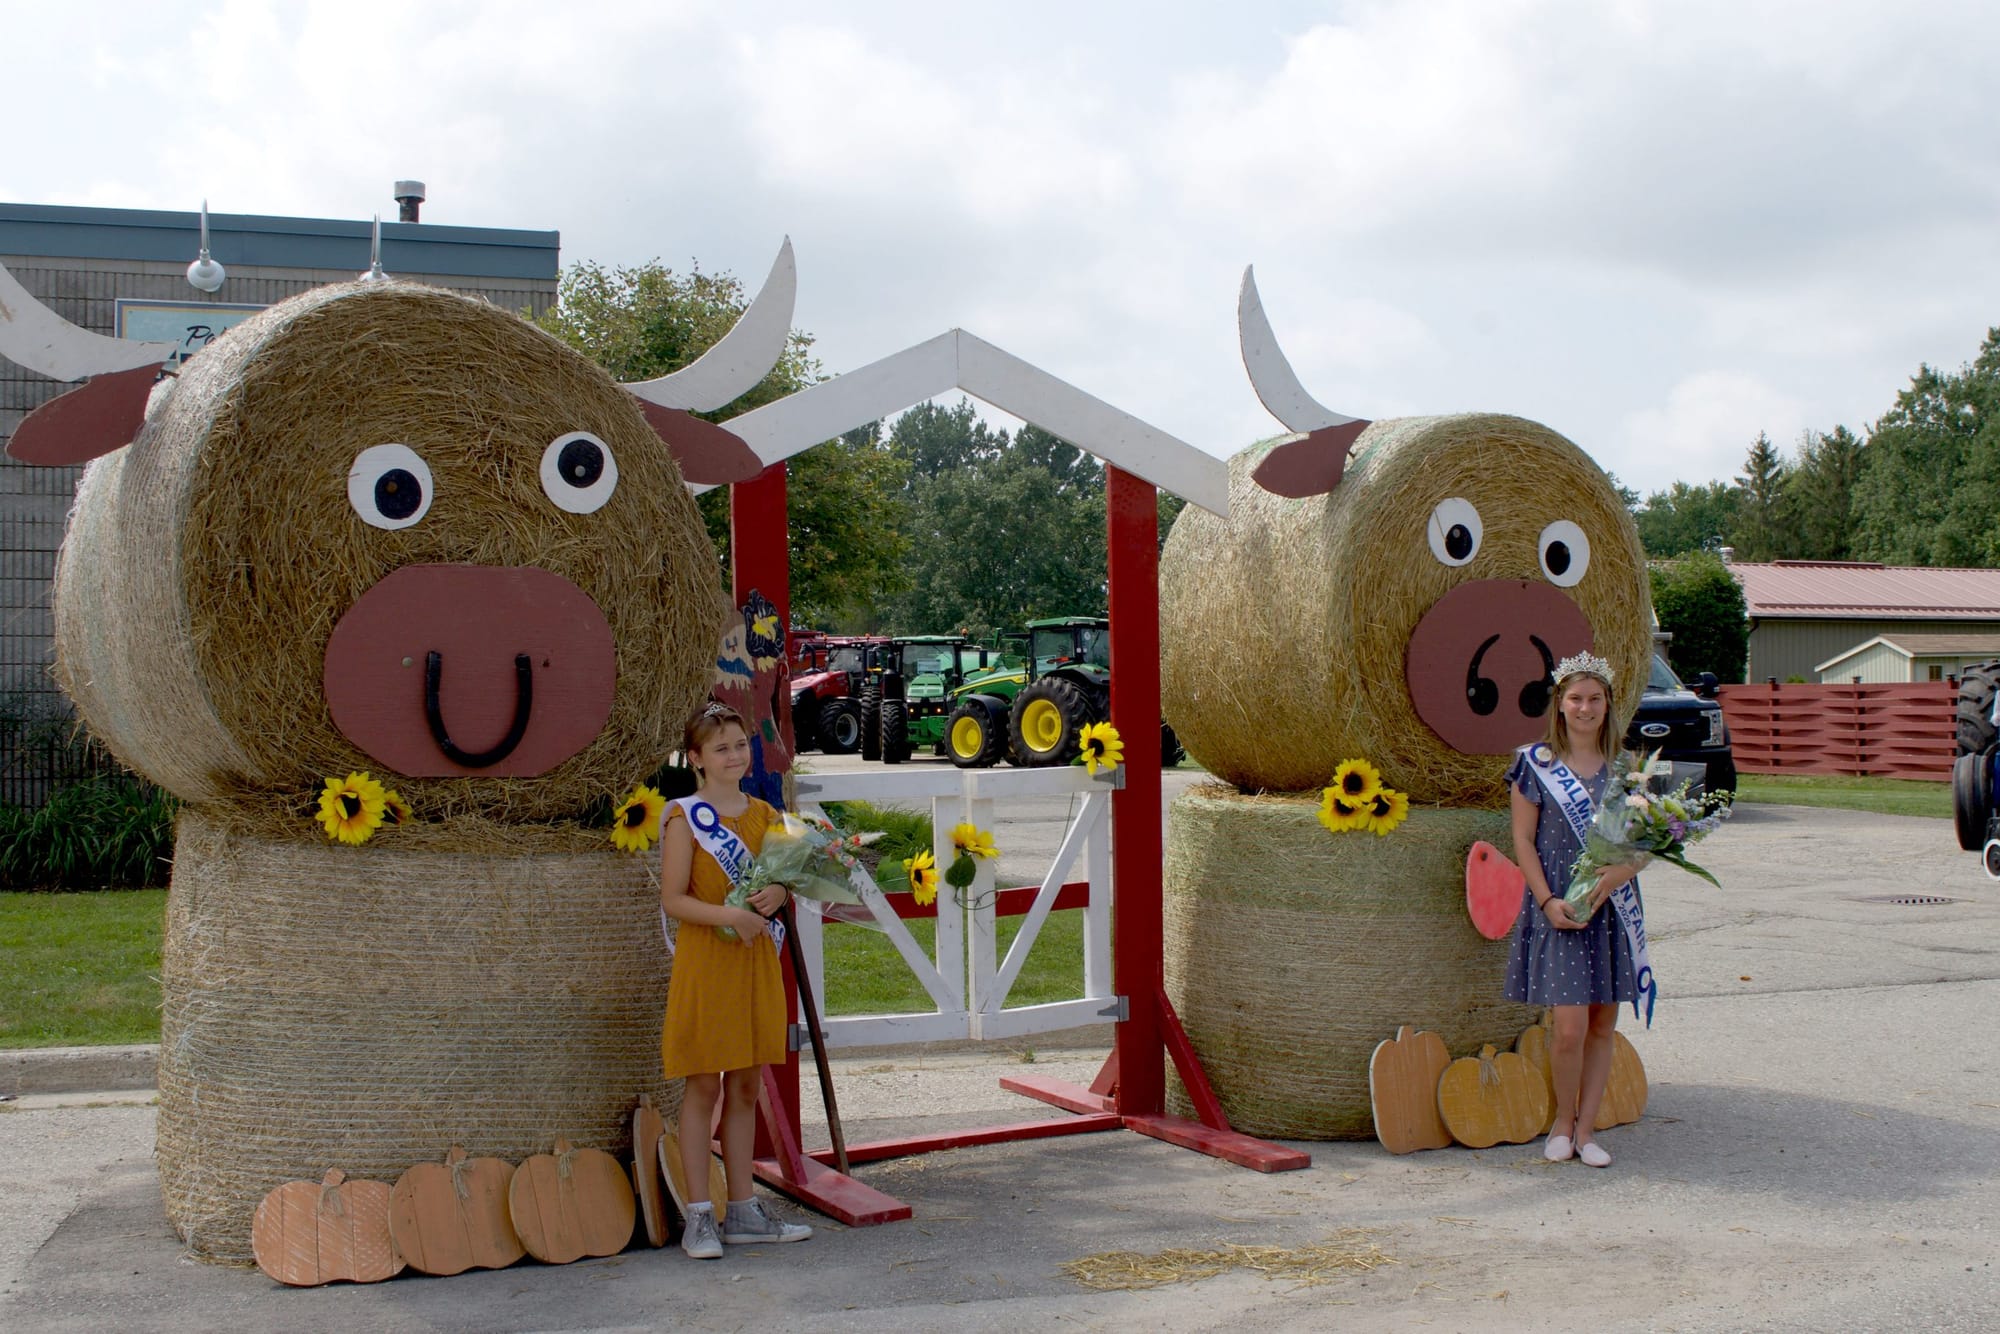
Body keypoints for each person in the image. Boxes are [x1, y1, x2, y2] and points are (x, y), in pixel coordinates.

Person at [659, 701, 813, 1257]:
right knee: (704, 1086)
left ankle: (744, 1209)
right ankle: (700, 1215)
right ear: (696, 758)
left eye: (740, 745)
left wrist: (781, 894)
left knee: (746, 1086)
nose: (733, 755)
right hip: (707, 964)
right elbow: (673, 899)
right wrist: (734, 916)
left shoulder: (766, 816)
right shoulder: (684, 818)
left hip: (754, 964)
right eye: (720, 747)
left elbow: (780, 880)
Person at [1503, 652, 1639, 1169]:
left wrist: (1622, 874)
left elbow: (1645, 842)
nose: (1585, 707)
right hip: (1558, 902)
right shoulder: (1534, 763)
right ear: (1559, 704)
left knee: (1603, 1024)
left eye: (1594, 699)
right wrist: (1545, 900)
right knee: (1568, 1028)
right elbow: (1522, 838)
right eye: (1575, 698)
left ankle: (1588, 1129)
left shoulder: (1627, 769)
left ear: (1607, 706)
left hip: (1610, 903)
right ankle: (1562, 1120)